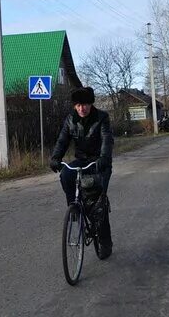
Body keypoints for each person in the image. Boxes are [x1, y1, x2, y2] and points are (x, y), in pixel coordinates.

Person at [49, 86, 114, 259]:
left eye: (84, 104)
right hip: (82, 160)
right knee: (65, 175)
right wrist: (55, 158)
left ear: (91, 104)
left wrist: (104, 159)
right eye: (77, 105)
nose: (81, 108)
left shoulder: (102, 118)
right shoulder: (71, 119)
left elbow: (107, 141)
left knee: (97, 203)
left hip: (100, 162)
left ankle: (105, 241)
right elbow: (62, 140)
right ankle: (75, 209)